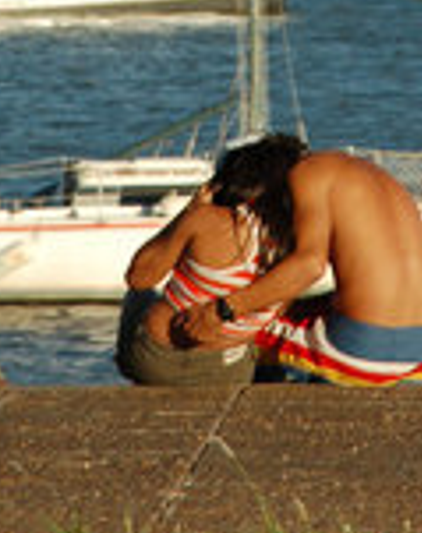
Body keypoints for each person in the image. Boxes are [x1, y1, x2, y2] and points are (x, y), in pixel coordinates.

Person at [177, 147, 422, 387]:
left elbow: (309, 266)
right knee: (286, 310)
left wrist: (221, 310)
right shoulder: (369, 174)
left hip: (365, 355)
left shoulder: (306, 174)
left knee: (246, 330)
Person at [116, 133, 307, 387]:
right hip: (227, 370)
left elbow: (138, 277)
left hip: (156, 361)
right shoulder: (302, 245)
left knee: (139, 296)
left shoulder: (209, 219)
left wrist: (190, 212)